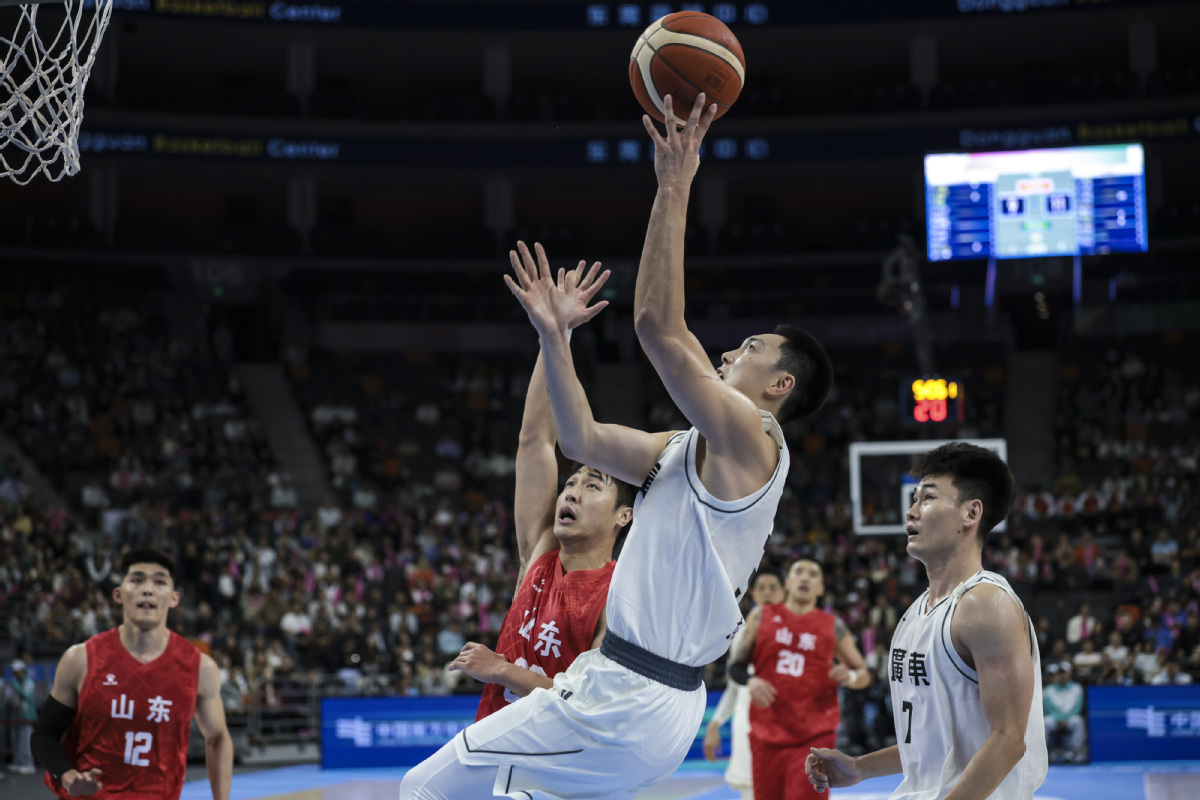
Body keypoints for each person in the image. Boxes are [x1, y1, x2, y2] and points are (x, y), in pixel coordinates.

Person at [400, 92, 833, 799]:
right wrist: (553, 339)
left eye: (750, 347)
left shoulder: (754, 439)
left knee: (425, 790)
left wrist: (674, 182)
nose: (730, 350)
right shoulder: (686, 446)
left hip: (630, 692)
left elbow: (658, 324)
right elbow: (579, 437)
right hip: (641, 695)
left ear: (780, 385)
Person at [447, 263, 637, 720]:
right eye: (570, 482)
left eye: (592, 484)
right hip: (499, 741)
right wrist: (556, 335)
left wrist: (503, 671)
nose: (570, 491)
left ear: (623, 515)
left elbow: (590, 699)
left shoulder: (621, 591)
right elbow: (535, 441)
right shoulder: (542, 554)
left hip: (566, 753)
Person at [807, 442, 1048, 799]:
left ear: (971, 513)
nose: (911, 511)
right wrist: (860, 768)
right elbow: (931, 742)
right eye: (914, 499)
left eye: (928, 498)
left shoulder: (986, 604)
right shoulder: (915, 613)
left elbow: (1009, 739)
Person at [31, 548, 233, 800]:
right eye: (137, 580)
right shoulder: (80, 659)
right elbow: (44, 735)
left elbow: (218, 738)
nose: (147, 589)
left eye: (159, 582)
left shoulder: (200, 668)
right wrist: (68, 775)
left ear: (174, 599)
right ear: (118, 594)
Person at [727, 558, 870, 800]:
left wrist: (851, 676)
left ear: (821, 588)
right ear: (787, 583)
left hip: (813, 739)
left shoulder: (832, 626)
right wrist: (751, 680)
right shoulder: (761, 616)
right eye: (799, 572)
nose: (805, 577)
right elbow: (735, 667)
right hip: (766, 735)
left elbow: (864, 673)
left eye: (813, 574)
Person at [704, 570, 786, 800]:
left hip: (784, 723)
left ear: (783, 592)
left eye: (773, 587)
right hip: (748, 723)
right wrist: (715, 723)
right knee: (750, 790)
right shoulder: (741, 635)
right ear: (754, 594)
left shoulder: (795, 631)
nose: (767, 592)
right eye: (762, 588)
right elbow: (734, 687)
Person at [1042, 663, 1084, 763]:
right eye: (1060, 673)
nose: (1063, 676)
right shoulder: (1048, 690)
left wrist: (1066, 718)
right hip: (1055, 720)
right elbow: (1047, 708)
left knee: (1078, 721)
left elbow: (1077, 707)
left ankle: (1075, 753)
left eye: (1064, 673)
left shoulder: (1077, 688)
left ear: (1069, 674)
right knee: (1046, 722)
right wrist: (1058, 718)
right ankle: (1045, 754)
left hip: (1069, 719)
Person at [6, 658, 37, 774]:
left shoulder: (29, 682)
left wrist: (16, 687)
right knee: (16, 741)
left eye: (17, 671)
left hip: (26, 717)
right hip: (16, 716)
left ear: (22, 670)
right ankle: (18, 762)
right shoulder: (15, 683)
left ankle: (28, 764)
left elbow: (26, 696)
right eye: (14, 672)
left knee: (25, 742)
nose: (15, 674)